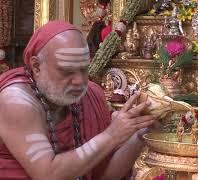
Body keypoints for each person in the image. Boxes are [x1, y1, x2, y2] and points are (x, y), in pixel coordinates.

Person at [0, 21, 159, 179]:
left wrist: (139, 133)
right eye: (67, 71)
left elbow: (103, 176)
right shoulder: (16, 101)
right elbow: (48, 175)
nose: (79, 81)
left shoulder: (92, 94)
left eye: (84, 69)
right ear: (36, 66)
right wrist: (112, 135)